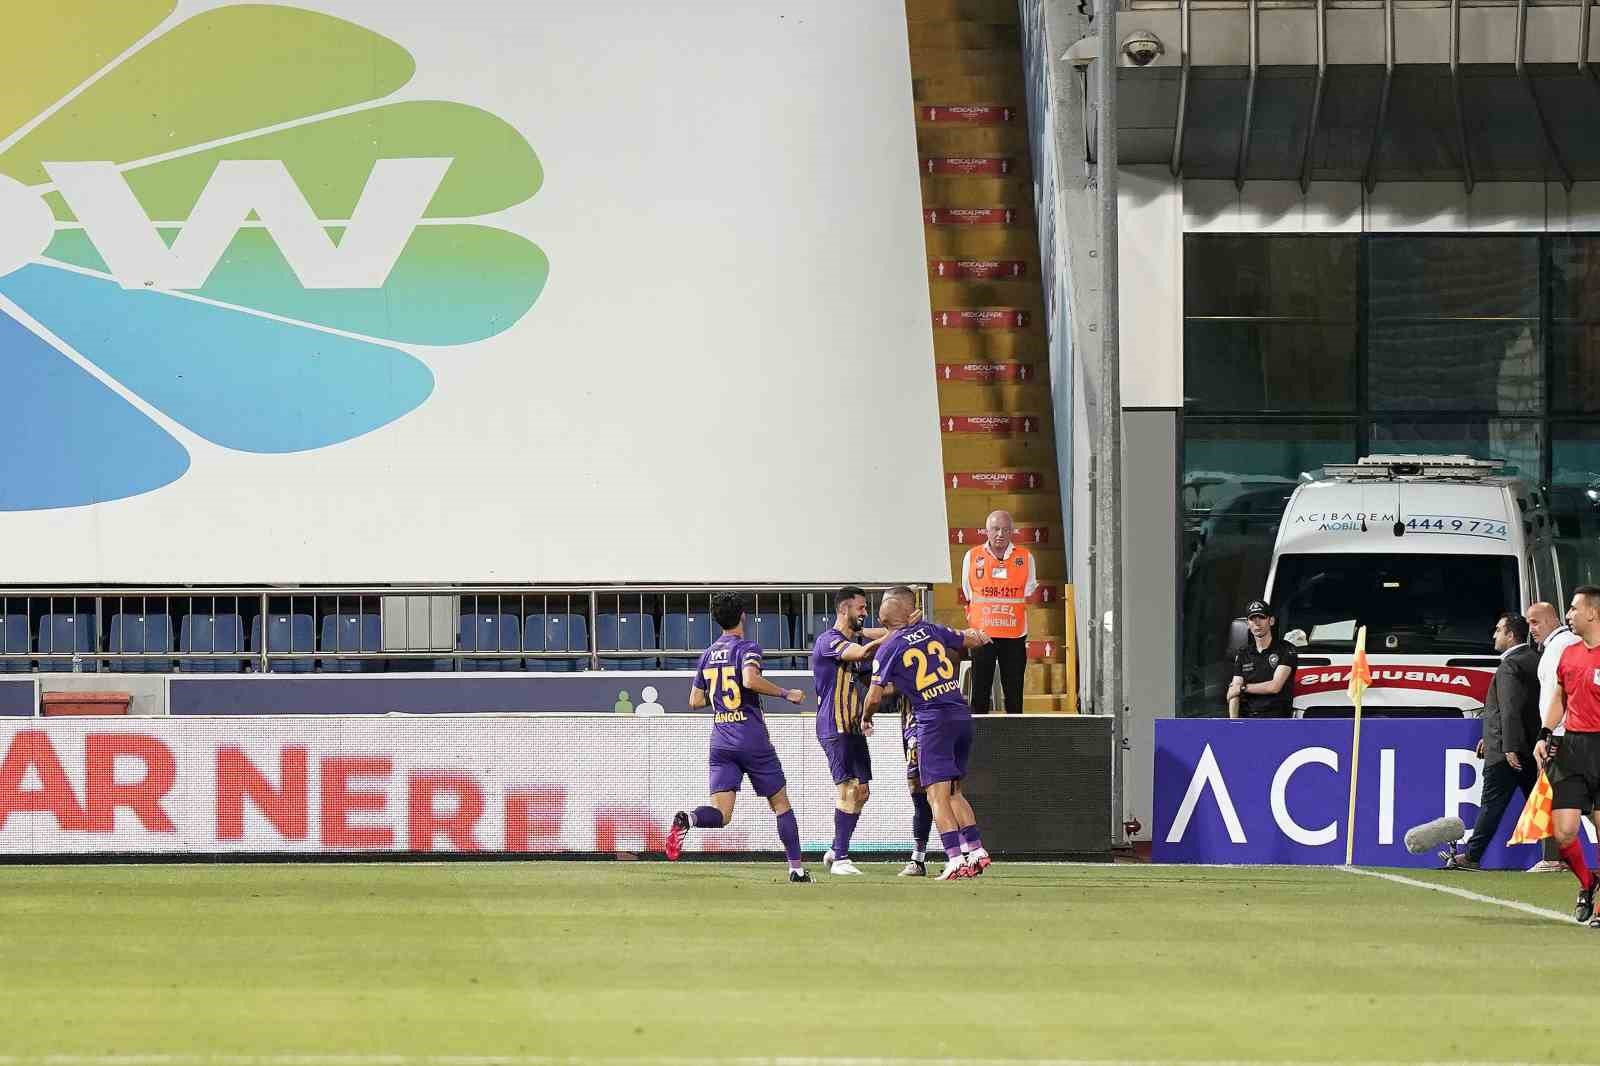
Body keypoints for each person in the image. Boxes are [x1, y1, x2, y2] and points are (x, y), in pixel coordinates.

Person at [665, 593, 811, 882]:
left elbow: (694, 700)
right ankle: (796, 870)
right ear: (742, 616)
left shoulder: (707, 654)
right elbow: (749, 680)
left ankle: (688, 819)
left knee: (722, 814)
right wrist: (786, 693)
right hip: (751, 737)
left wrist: (719, 695)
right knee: (780, 803)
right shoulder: (747, 648)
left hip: (721, 741)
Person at [865, 585, 993, 881]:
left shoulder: (889, 648)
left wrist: (865, 718)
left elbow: (873, 697)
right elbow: (966, 638)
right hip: (960, 712)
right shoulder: (931, 629)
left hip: (932, 720)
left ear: (887, 617)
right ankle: (975, 850)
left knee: (935, 796)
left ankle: (954, 858)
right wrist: (979, 635)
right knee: (954, 791)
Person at [810, 585, 892, 875]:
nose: (865, 613)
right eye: (861, 608)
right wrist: (897, 633)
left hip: (854, 727)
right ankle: (841, 858)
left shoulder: (854, 636)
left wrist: (901, 630)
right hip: (834, 725)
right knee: (847, 788)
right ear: (843, 609)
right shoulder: (828, 641)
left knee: (863, 791)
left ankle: (835, 849)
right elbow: (860, 652)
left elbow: (870, 638)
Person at [1447, 613, 1538, 870]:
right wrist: (1489, 738)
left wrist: (1507, 745)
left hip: (1508, 751)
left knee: (1491, 805)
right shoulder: (1535, 659)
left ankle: (1472, 857)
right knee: (1543, 803)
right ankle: (1559, 856)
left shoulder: (1510, 665)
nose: (1494, 635)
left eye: (1498, 630)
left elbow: (1509, 709)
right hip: (1530, 747)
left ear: (1511, 635)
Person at [1533, 586, 1600, 925]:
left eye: (1574, 609)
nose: (1569, 616)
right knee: (1564, 832)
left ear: (1592, 613)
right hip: (1572, 747)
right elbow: (1560, 695)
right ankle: (1588, 882)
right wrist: (1545, 732)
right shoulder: (1569, 654)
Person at [959, 510, 1037, 714]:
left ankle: (1014, 739)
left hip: (1014, 634)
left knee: (1014, 691)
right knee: (980, 691)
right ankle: (979, 739)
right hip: (982, 635)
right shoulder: (972, 556)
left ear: (1012, 532)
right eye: (995, 529)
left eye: (1005, 529)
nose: (1000, 534)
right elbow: (968, 591)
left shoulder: (1025, 557)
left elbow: (1028, 589)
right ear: (986, 531)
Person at [1528, 600, 1580, 873]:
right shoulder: (1561, 645)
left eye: (1535, 622)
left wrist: (1546, 733)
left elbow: (1556, 695)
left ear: (1551, 620)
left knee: (1552, 795)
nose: (1531, 629)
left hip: (1561, 734)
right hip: (1568, 732)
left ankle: (1552, 859)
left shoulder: (1560, 647)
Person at [1226, 600, 1297, 718]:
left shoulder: (1286, 649)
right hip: (1247, 720)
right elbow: (1234, 691)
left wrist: (1243, 688)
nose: (1257, 623)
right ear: (1248, 624)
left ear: (1271, 621)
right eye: (1252, 619)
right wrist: (1234, 723)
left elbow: (1274, 687)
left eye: (1261, 617)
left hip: (1276, 721)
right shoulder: (1243, 653)